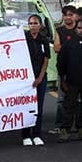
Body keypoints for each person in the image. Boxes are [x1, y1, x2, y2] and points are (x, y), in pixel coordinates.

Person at [50, 5, 80, 133]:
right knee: (61, 99)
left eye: (70, 14)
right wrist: (74, 47)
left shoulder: (80, 29)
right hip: (63, 70)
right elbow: (56, 48)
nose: (68, 17)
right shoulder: (59, 31)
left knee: (78, 99)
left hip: (79, 69)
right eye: (65, 15)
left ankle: (80, 126)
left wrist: (66, 47)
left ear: (75, 16)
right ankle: (60, 126)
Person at [21, 15, 50, 146]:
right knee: (26, 106)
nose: (32, 25)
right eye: (30, 23)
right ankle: (26, 135)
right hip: (26, 79)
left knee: (38, 106)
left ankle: (37, 134)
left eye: (35, 23)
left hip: (40, 77)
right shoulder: (22, 38)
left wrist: (39, 78)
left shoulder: (43, 40)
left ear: (40, 25)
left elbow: (46, 60)